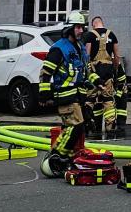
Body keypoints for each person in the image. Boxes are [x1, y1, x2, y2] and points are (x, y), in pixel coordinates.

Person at [39, 12, 99, 164]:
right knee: (75, 127)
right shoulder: (59, 49)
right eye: (77, 27)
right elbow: (45, 73)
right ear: (69, 28)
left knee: (76, 128)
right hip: (65, 95)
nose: (81, 31)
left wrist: (97, 81)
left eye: (82, 27)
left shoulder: (80, 48)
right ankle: (58, 156)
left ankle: (63, 157)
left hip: (78, 96)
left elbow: (86, 70)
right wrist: (44, 93)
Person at [82, 16, 122, 136]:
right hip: (108, 72)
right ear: (102, 23)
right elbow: (117, 56)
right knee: (108, 99)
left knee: (90, 99)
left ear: (93, 25)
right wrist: (114, 70)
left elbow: (86, 56)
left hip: (94, 72)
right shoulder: (112, 35)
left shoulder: (90, 35)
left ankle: (87, 123)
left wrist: (87, 71)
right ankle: (110, 126)